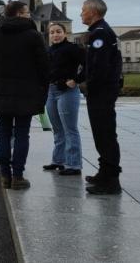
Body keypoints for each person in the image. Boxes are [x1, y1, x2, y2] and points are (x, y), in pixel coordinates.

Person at [0, 0, 49, 190]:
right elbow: (44, 67)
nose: (29, 16)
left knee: (3, 132)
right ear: (18, 13)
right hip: (26, 93)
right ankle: (17, 176)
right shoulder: (34, 37)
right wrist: (41, 90)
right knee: (21, 134)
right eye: (26, 12)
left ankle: (4, 175)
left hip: (0, 91)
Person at [80, 0, 123, 195]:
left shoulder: (100, 33)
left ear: (93, 12)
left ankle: (111, 179)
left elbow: (99, 65)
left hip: (101, 92)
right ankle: (105, 172)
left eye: (83, 10)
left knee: (105, 134)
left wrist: (88, 85)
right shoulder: (99, 32)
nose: (81, 14)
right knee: (101, 134)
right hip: (102, 91)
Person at [43, 23, 86, 176]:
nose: (55, 35)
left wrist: (76, 80)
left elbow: (89, 64)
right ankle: (58, 160)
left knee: (70, 129)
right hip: (51, 91)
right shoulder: (48, 50)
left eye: (58, 32)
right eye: (52, 32)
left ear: (65, 33)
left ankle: (74, 165)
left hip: (67, 92)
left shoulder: (73, 49)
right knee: (57, 129)